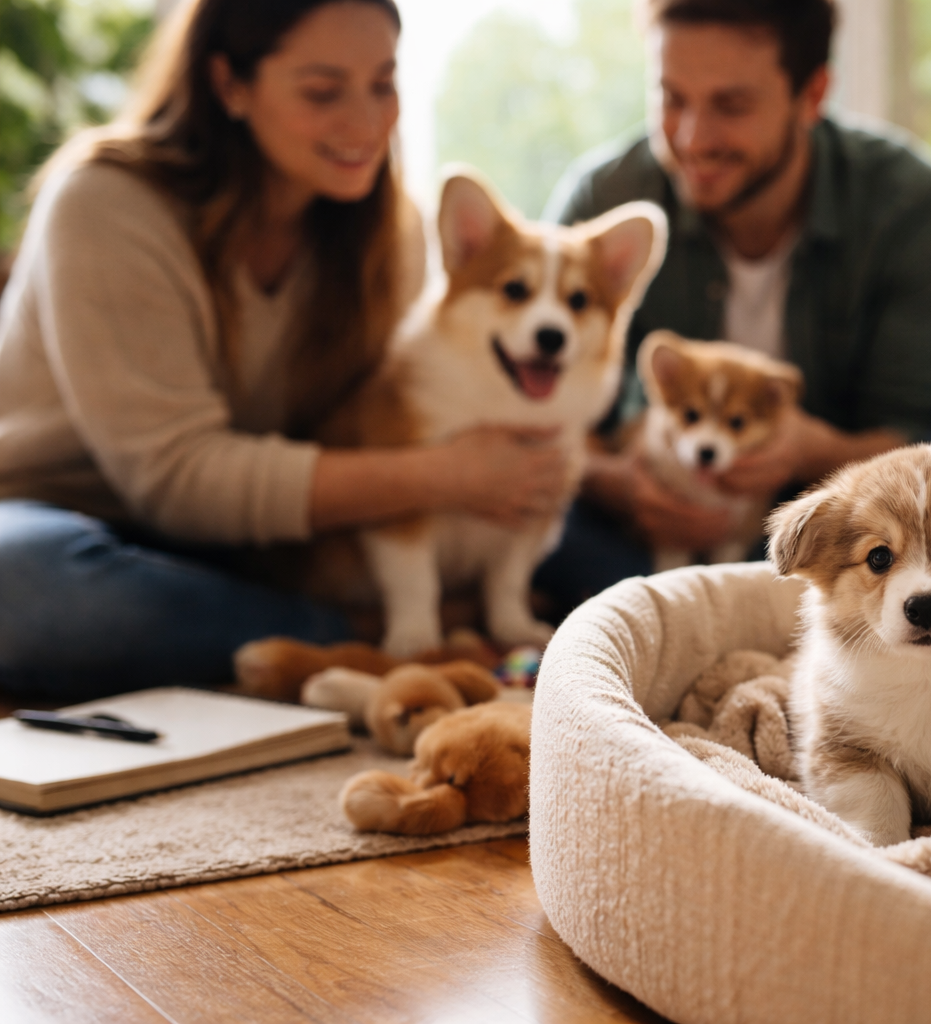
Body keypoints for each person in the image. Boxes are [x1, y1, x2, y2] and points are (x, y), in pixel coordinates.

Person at [0, 0, 567, 699]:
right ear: (229, 84)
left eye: (383, 84)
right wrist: (445, 477)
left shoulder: (390, 231)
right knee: (23, 590)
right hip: (74, 518)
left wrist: (584, 472)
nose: (366, 124)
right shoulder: (104, 203)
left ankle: (330, 632)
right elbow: (177, 479)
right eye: (322, 91)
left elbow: (407, 414)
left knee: (588, 538)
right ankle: (352, 633)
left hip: (269, 539)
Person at [535, 0, 931, 610]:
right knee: (540, 519)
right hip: (654, 523)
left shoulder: (911, 204)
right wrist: (618, 485)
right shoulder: (608, 200)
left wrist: (809, 449)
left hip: (857, 520)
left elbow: (914, 437)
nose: (691, 137)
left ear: (812, 93)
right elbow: (541, 415)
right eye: (671, 98)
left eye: (731, 105)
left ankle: (710, 597)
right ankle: (759, 597)